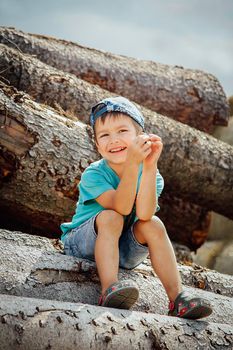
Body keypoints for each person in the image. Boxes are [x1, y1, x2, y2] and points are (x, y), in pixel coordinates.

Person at [60, 96, 213, 319]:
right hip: (83, 244)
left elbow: (144, 214)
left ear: (141, 137)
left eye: (122, 131)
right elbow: (121, 208)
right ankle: (109, 289)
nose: (113, 140)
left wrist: (149, 167)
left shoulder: (153, 175)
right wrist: (132, 163)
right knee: (112, 217)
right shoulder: (94, 174)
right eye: (104, 135)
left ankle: (178, 298)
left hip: (122, 250)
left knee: (154, 224)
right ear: (97, 146)